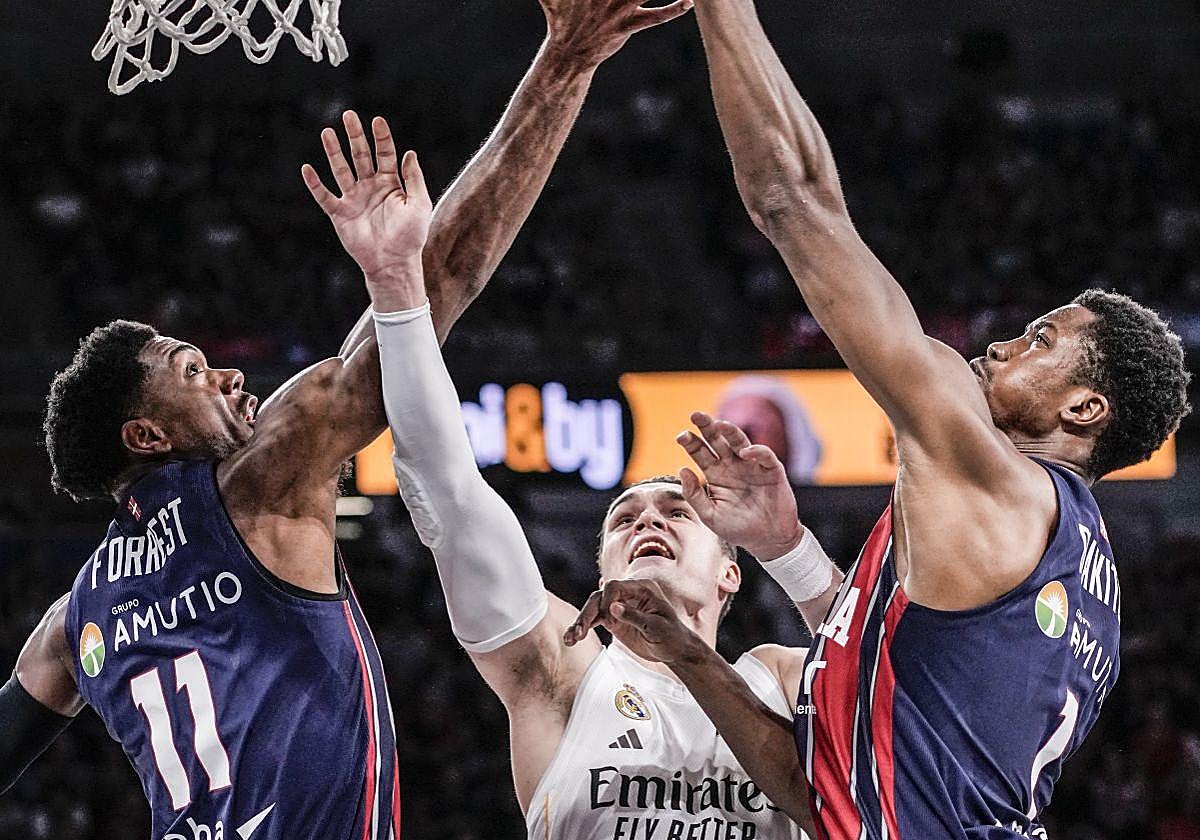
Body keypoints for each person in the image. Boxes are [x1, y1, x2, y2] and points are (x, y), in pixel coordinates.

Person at [0, 1, 692, 835]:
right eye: (192, 370)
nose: (227, 374)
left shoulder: (75, 617)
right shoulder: (258, 481)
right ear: (147, 436)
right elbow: (435, 288)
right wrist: (564, 63)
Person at [568, 1, 1193, 838]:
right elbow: (832, 770)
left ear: (1083, 409)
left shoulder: (990, 474)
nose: (1002, 345)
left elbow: (794, 201)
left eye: (1039, 341)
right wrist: (775, 557)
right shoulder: (1083, 583)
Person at [366, 181, 814, 837]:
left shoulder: (779, 676)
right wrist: (397, 288)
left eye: (677, 512)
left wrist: (789, 548)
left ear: (730, 572)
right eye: (623, 521)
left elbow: (901, 684)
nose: (648, 521)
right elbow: (450, 496)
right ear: (602, 576)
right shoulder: (564, 672)